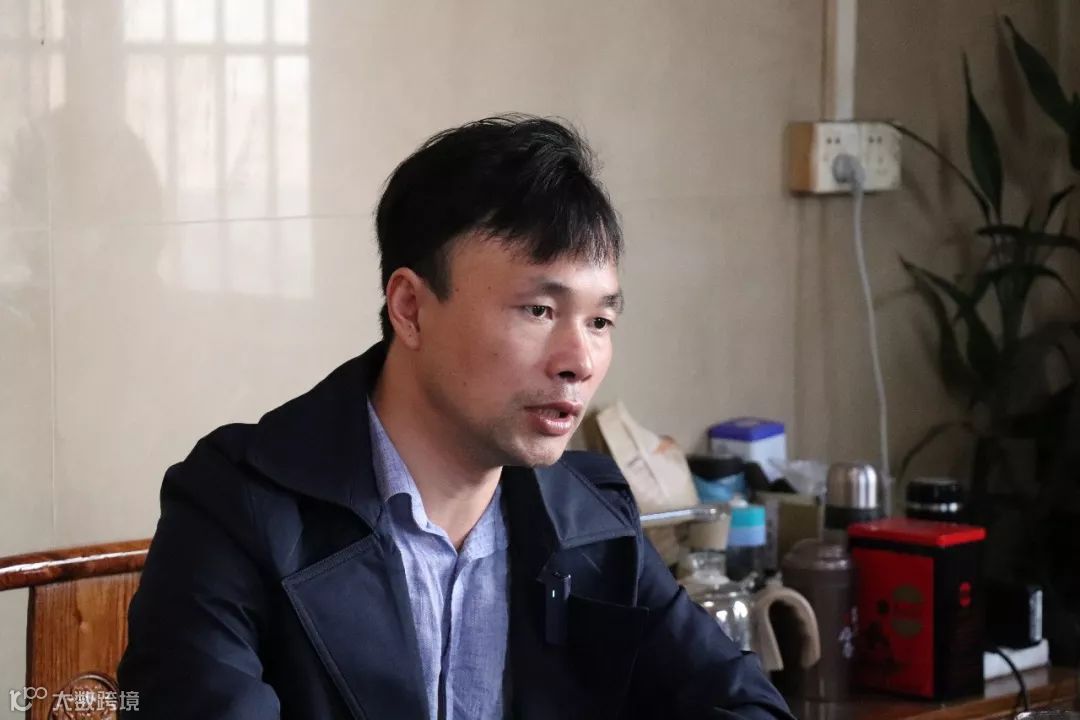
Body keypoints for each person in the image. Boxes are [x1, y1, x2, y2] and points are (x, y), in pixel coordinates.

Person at [117, 115, 795, 720]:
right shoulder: (236, 506)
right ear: (411, 308)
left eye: (600, 320)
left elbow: (746, 705)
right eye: (539, 310)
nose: (580, 360)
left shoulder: (590, 520)